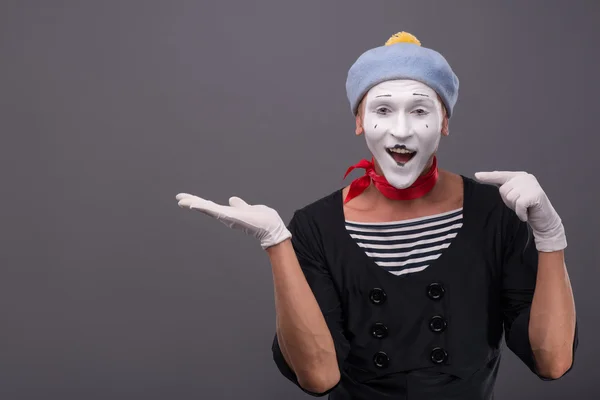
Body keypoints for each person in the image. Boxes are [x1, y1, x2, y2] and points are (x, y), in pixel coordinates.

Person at [176, 31, 578, 400]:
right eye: (383, 110)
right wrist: (277, 243)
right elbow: (317, 376)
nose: (400, 131)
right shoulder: (316, 228)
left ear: (445, 121)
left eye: (420, 110)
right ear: (358, 120)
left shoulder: (495, 215)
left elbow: (553, 361)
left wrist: (550, 236)